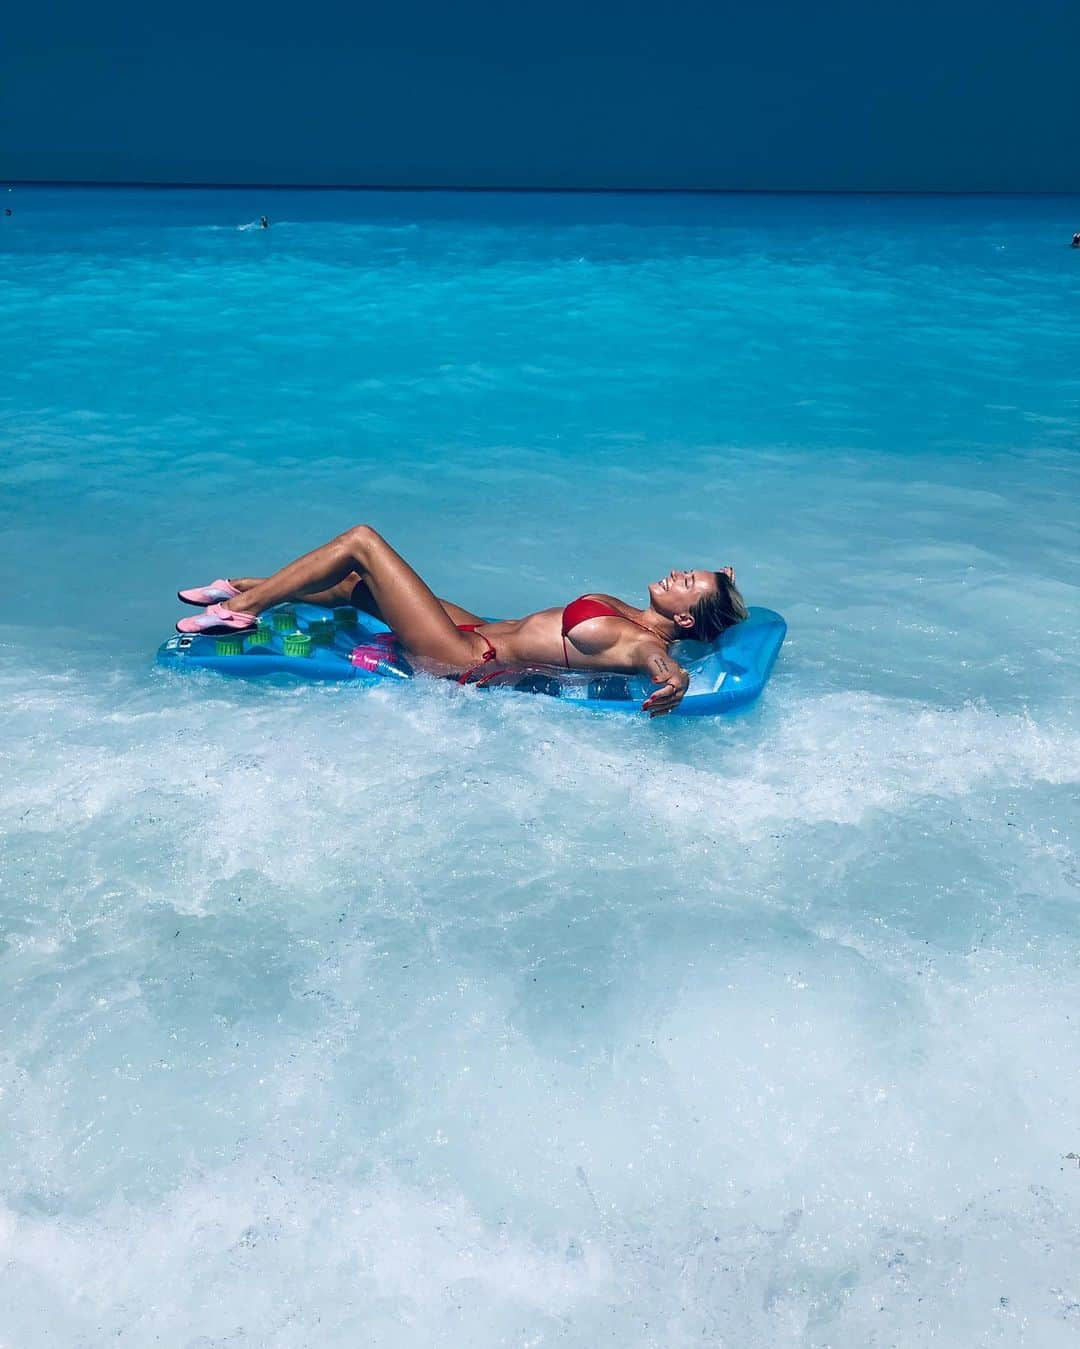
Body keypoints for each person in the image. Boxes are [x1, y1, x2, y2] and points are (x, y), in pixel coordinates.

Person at [175, 525, 748, 715]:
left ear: (691, 619)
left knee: (363, 543)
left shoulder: (635, 639)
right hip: (474, 630)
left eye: (690, 585)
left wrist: (675, 680)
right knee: (356, 586)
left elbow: (658, 664)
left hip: (462, 659)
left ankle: (242, 611)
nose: (678, 573)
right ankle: (244, 589)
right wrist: (724, 581)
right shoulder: (631, 609)